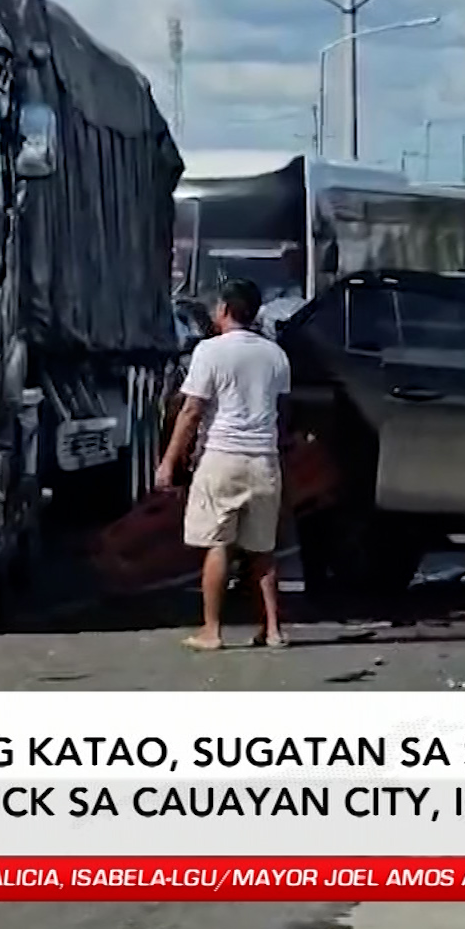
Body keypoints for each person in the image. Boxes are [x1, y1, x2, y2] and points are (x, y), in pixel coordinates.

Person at [155, 277, 293, 651]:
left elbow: (191, 410)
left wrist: (169, 462)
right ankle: (274, 629)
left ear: (224, 310)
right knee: (262, 550)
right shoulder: (275, 355)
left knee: (217, 544)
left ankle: (211, 631)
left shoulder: (210, 352)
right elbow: (282, 412)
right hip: (264, 460)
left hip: (222, 458)